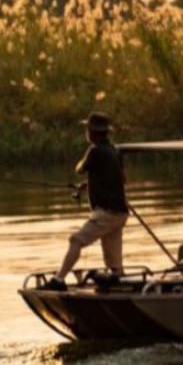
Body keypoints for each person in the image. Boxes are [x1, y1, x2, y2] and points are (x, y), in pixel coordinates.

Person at [44, 111, 129, 290]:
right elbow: (120, 178)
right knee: (113, 261)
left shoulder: (95, 150)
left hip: (106, 212)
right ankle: (118, 283)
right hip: (120, 213)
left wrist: (86, 172)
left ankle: (59, 280)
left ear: (92, 132)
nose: (86, 133)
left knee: (76, 240)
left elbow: (80, 169)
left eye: (88, 129)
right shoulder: (115, 151)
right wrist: (88, 185)